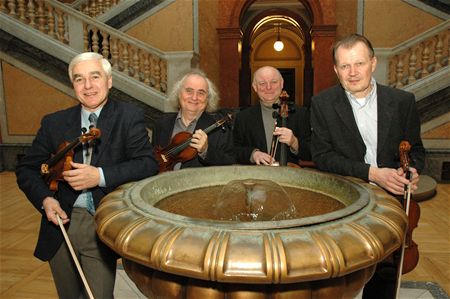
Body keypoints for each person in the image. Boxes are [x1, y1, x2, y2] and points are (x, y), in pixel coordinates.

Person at [16, 52, 159, 298]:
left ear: (109, 80)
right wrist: (45, 200)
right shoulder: (54, 122)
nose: (88, 85)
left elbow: (147, 164)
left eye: (95, 76)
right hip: (60, 223)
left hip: (100, 222)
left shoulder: (129, 116)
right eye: (79, 79)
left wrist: (100, 176)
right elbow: (27, 169)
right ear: (73, 84)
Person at [310, 34, 425, 299]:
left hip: (391, 200)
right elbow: (323, 157)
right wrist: (372, 173)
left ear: (373, 63)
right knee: (338, 272)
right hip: (346, 199)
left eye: (359, 63)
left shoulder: (402, 101)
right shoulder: (322, 104)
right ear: (336, 70)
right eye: (345, 66)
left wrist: (411, 169)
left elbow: (416, 150)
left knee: (385, 272)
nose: (352, 73)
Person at [152, 69, 235, 170]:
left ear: (208, 99)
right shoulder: (161, 124)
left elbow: (229, 164)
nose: (194, 97)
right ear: (179, 94)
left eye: (201, 93)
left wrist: (206, 150)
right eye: (189, 91)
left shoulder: (221, 130)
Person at [233, 66, 311, 166]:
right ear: (255, 87)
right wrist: (253, 154)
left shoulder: (301, 114)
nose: (268, 87)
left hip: (289, 178)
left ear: (282, 84)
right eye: (262, 83)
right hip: (256, 178)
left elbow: (312, 152)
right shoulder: (243, 117)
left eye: (274, 82)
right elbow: (234, 150)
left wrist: (294, 142)